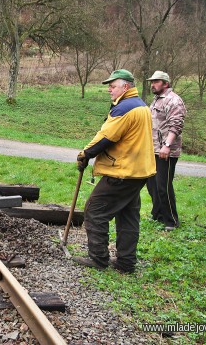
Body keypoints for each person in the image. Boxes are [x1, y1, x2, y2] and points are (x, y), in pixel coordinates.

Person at [74, 69, 156, 274]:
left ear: (126, 87)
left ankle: (99, 259)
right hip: (139, 171)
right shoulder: (141, 106)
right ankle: (126, 263)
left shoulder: (124, 108)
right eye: (109, 86)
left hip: (122, 171)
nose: (109, 89)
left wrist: (85, 154)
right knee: (128, 215)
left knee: (95, 210)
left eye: (113, 85)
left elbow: (106, 137)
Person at [145, 70, 186, 231]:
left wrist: (167, 146)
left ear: (165, 83)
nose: (152, 85)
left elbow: (176, 125)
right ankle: (158, 215)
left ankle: (171, 221)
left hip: (166, 151)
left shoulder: (173, 100)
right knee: (152, 185)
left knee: (163, 186)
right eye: (152, 82)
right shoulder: (156, 100)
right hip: (153, 149)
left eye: (156, 82)